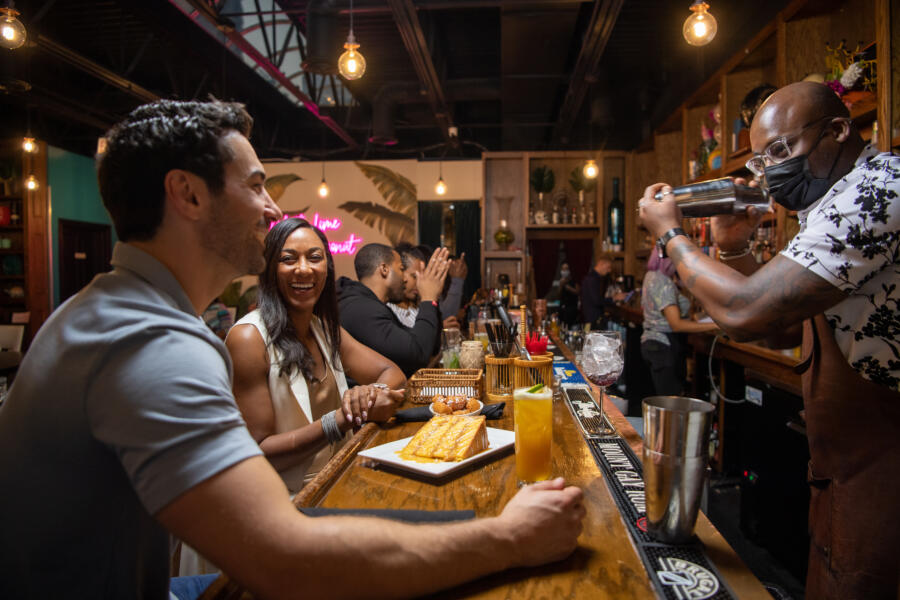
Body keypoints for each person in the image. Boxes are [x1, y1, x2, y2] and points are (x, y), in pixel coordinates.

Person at [0, 99, 585, 599]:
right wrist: (509, 539)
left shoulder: (119, 311)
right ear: (187, 194)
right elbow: (285, 559)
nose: (274, 209)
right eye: (256, 185)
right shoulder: (150, 340)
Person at [639, 81, 899, 599]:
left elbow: (745, 310)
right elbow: (781, 327)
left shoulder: (879, 190)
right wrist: (732, 249)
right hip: (844, 461)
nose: (772, 171)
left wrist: (672, 236)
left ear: (838, 129)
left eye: (780, 150)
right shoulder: (826, 208)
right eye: (762, 162)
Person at [227, 218, 406, 495]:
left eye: (314, 258)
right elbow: (258, 450)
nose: (303, 269)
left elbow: (392, 373)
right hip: (288, 502)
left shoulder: (323, 328)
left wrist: (368, 395)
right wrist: (339, 419)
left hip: (342, 479)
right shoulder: (249, 338)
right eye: (288, 259)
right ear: (269, 269)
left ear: (327, 268)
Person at [338, 243, 451, 376]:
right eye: (401, 269)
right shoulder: (362, 310)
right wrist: (428, 298)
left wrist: (433, 299)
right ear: (384, 269)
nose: (404, 279)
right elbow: (417, 355)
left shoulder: (372, 305)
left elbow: (426, 346)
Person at [639, 252, 717, 396]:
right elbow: (676, 324)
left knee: (661, 401)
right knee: (670, 404)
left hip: (652, 342)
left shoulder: (651, 275)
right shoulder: (664, 283)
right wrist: (716, 325)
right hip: (664, 345)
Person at [387, 242, 427, 328]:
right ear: (400, 272)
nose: (419, 283)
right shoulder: (387, 313)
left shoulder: (417, 308)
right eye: (414, 276)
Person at [581, 256, 627, 329]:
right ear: (601, 264)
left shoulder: (593, 278)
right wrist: (614, 298)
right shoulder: (592, 279)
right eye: (608, 267)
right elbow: (597, 301)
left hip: (592, 319)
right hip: (593, 320)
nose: (609, 271)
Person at [558, 262, 580, 327]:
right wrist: (561, 285)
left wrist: (568, 288)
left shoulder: (574, 280)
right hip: (562, 308)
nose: (564, 271)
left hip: (572, 309)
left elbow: (578, 292)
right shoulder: (561, 281)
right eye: (563, 269)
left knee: (570, 326)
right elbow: (558, 295)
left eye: (566, 269)